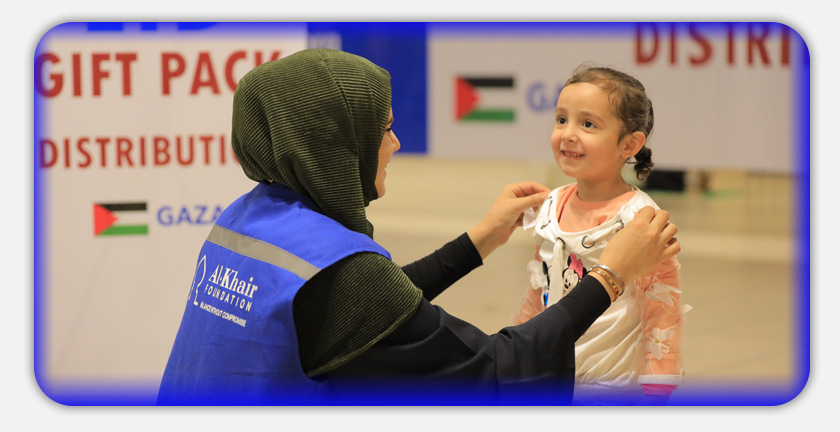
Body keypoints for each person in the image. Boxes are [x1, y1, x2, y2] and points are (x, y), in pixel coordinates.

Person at [156, 50, 680, 406]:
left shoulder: (246, 218)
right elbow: (499, 367)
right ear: (336, 144)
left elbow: (371, 309)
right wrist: (610, 275)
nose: (396, 144)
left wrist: (478, 241)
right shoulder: (345, 277)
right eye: (383, 129)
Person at [515, 64, 691, 405]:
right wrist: (518, 349)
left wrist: (658, 387)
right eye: (561, 119)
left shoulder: (641, 221)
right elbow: (539, 285)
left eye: (588, 124)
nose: (568, 134)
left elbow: (662, 311)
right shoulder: (552, 204)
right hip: (551, 376)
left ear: (629, 144)